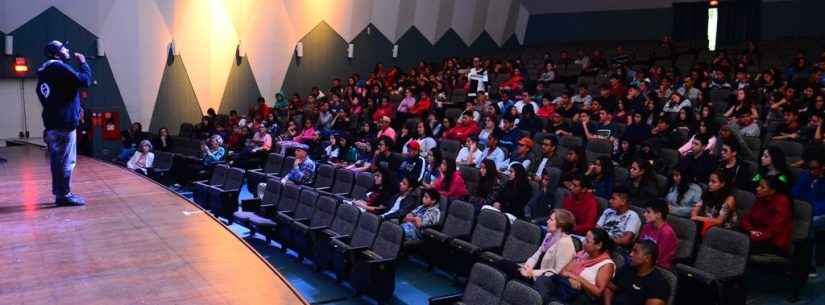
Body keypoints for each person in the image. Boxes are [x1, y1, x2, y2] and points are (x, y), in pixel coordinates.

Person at [36, 40, 92, 205]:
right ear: (56, 53)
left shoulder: (45, 71)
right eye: (63, 48)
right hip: (64, 124)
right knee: (66, 162)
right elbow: (84, 81)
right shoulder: (58, 67)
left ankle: (60, 193)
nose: (67, 49)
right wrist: (83, 64)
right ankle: (64, 196)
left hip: (53, 124)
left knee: (58, 161)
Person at [533, 228, 616, 304]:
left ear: (598, 245)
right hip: (565, 284)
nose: (583, 242)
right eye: (584, 238)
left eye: (587, 241)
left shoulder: (606, 264)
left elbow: (598, 292)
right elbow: (563, 272)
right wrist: (571, 278)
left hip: (581, 295)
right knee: (542, 280)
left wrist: (577, 278)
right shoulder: (583, 253)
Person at [604, 239, 671, 305]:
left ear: (647, 258)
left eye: (635, 252)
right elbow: (610, 288)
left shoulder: (659, 285)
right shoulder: (627, 268)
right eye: (632, 250)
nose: (631, 254)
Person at [517, 209, 577, 280]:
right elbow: (535, 256)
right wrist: (526, 268)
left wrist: (532, 272)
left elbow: (556, 272)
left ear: (560, 224)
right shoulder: (549, 235)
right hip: (531, 272)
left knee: (506, 266)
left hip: (544, 280)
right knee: (505, 264)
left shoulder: (566, 244)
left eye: (551, 220)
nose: (547, 221)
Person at [741, 176, 793, 255]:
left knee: (740, 246)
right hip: (756, 235)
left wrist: (755, 235)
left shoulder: (782, 202)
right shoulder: (761, 198)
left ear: (772, 191)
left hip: (773, 243)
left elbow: (774, 230)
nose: (757, 188)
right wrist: (751, 230)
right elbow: (747, 218)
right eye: (758, 186)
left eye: (762, 187)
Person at [691, 171, 738, 236]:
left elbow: (719, 221)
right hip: (706, 224)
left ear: (722, 184)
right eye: (709, 181)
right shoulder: (707, 193)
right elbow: (695, 210)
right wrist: (695, 216)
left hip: (724, 230)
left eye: (714, 182)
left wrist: (697, 218)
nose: (709, 184)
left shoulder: (729, 199)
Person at [639, 199, 678, 269]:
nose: (644, 214)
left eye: (648, 212)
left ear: (658, 215)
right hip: (643, 260)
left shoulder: (666, 233)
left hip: (659, 267)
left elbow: (657, 257)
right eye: (645, 211)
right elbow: (639, 246)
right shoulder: (647, 226)